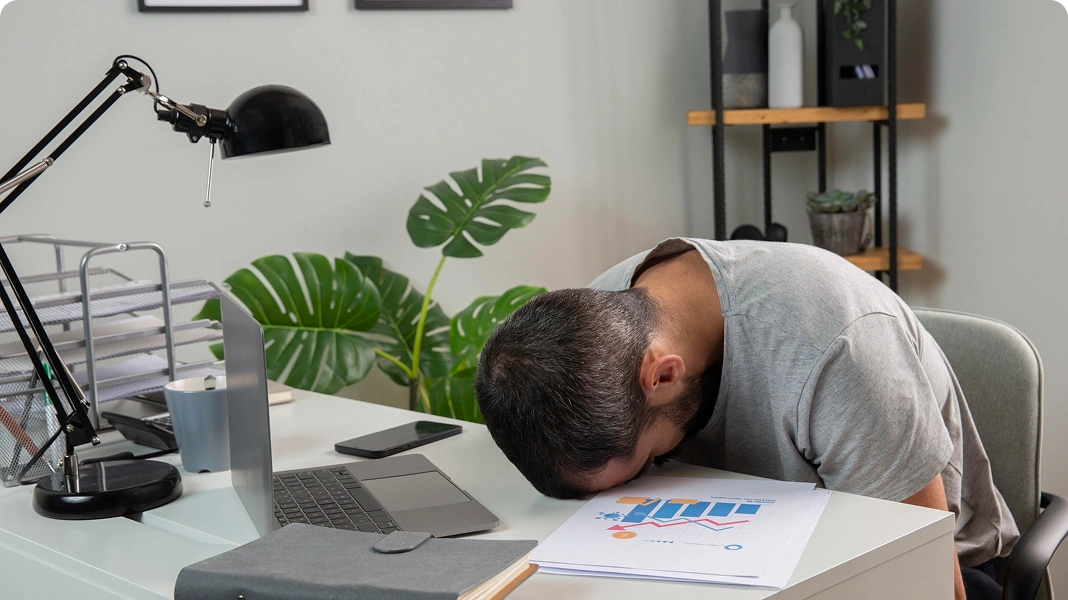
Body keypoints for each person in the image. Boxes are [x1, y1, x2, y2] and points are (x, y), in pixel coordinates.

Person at [475, 238, 1019, 600]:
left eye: (647, 465)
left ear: (663, 376)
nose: (647, 475)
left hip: (924, 568)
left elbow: (925, 581)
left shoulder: (839, 348)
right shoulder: (603, 320)